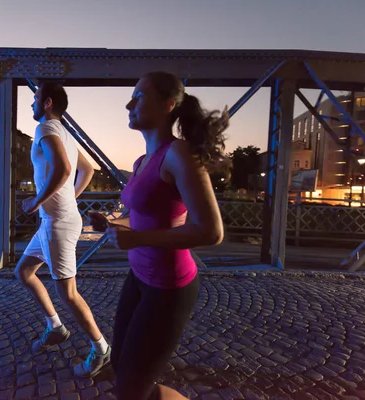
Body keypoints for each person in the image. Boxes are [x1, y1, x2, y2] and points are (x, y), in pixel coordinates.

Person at [90, 71, 228, 399]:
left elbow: (211, 231)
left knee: (131, 389)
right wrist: (114, 222)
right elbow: (141, 215)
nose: (128, 104)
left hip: (169, 287)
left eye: (138, 97)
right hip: (139, 276)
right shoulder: (142, 161)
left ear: (168, 105)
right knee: (123, 369)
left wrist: (138, 239)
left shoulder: (178, 154)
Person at [15, 81, 111, 378]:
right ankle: (55, 327)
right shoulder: (65, 133)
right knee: (24, 272)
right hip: (53, 220)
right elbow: (89, 169)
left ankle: (101, 349)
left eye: (34, 99)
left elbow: (65, 170)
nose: (31, 103)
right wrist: (68, 196)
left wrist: (35, 201)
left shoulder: (46, 129)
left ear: (47, 103)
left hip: (57, 223)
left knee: (68, 293)